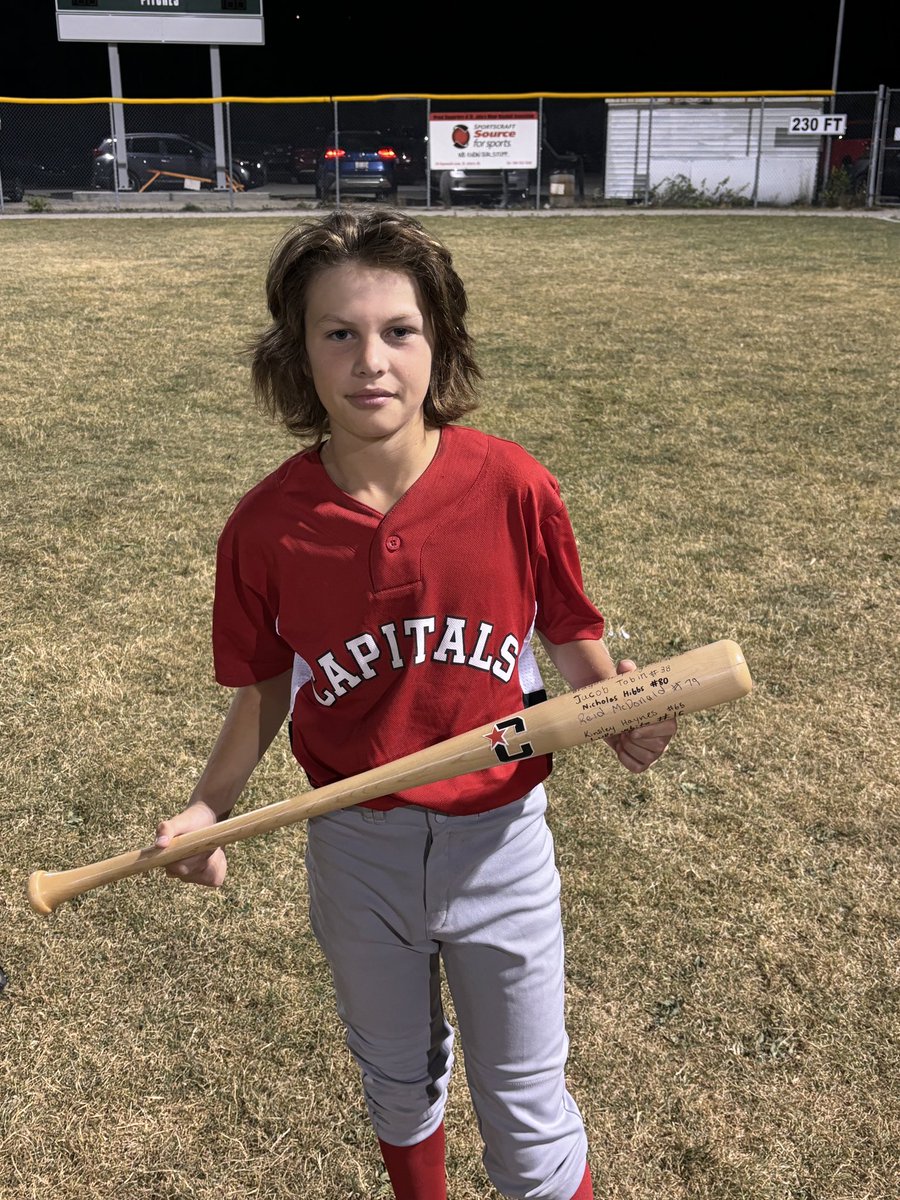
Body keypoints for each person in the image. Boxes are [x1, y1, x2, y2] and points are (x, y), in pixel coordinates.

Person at [154, 207, 677, 1200]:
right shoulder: (269, 528)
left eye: (399, 330)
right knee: (398, 1083)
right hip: (356, 847)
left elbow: (567, 633)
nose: (371, 362)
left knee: (528, 1108)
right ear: (297, 352)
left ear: (440, 342)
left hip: (500, 844)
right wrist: (208, 807)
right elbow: (266, 687)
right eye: (338, 333)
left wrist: (622, 713)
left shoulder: (512, 485)